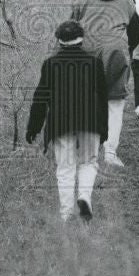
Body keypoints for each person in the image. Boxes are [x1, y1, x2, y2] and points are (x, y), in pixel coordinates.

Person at [25, 20, 108, 222]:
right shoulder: (95, 63)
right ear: (82, 39)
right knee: (89, 162)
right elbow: (103, 98)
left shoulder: (50, 64)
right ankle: (84, 196)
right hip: (90, 121)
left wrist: (33, 127)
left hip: (61, 122)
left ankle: (66, 215)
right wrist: (104, 129)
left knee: (65, 167)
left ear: (59, 41)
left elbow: (40, 99)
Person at [70, 0, 139, 168]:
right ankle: (110, 153)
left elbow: (70, 30)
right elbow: (137, 31)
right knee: (115, 103)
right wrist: (126, 50)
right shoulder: (127, 0)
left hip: (87, 53)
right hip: (116, 52)